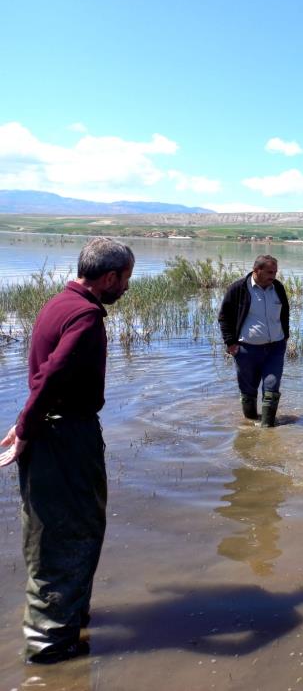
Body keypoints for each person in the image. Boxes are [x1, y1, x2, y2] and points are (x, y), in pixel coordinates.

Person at [0, 237, 134, 664]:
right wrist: (26, 425)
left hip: (53, 431)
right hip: (65, 438)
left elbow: (42, 375)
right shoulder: (85, 316)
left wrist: (28, 420)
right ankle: (50, 647)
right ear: (109, 276)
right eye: (125, 280)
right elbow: (53, 374)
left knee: (54, 528)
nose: (126, 288)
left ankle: (68, 621)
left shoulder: (59, 302)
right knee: (67, 532)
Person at [218, 255, 289, 427]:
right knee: (248, 391)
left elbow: (285, 313)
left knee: (272, 387)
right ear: (256, 270)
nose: (273, 275)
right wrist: (230, 342)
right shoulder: (238, 289)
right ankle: (249, 427)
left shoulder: (278, 288)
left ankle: (267, 429)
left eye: (275, 272)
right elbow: (224, 317)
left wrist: (285, 336)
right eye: (270, 272)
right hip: (247, 350)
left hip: (275, 348)